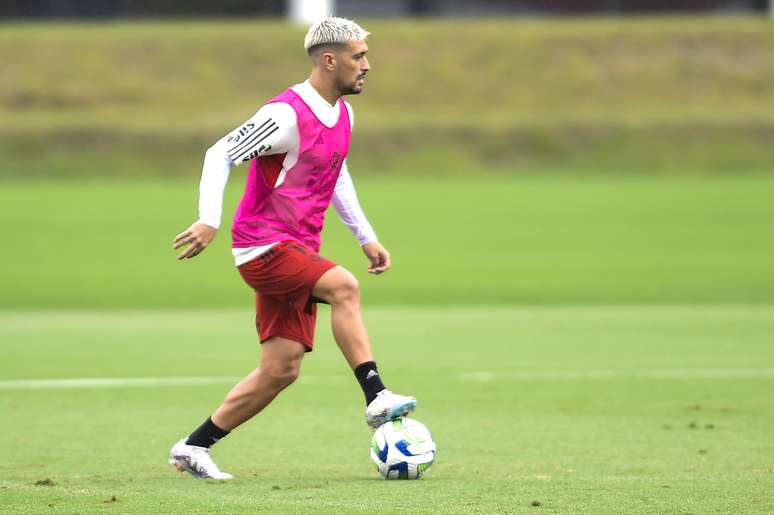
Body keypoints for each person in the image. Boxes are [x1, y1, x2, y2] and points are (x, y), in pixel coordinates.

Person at [167, 17, 416, 480]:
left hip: (295, 248)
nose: (367, 65)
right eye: (359, 56)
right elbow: (219, 153)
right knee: (343, 286)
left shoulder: (344, 114)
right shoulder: (285, 115)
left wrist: (365, 235)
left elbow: (336, 173)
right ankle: (377, 395)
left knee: (281, 368)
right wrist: (208, 219)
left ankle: (193, 447)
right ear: (330, 61)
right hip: (262, 246)